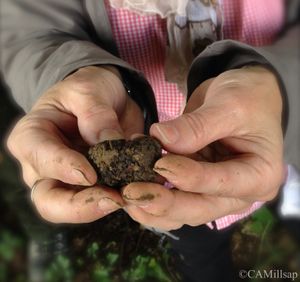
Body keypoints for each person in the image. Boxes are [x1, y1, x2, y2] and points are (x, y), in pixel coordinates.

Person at [1, 0, 299, 281]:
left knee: (287, 201)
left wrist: (283, 86)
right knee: (202, 255)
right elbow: (28, 24)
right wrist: (67, 72)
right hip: (172, 193)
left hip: (279, 140)